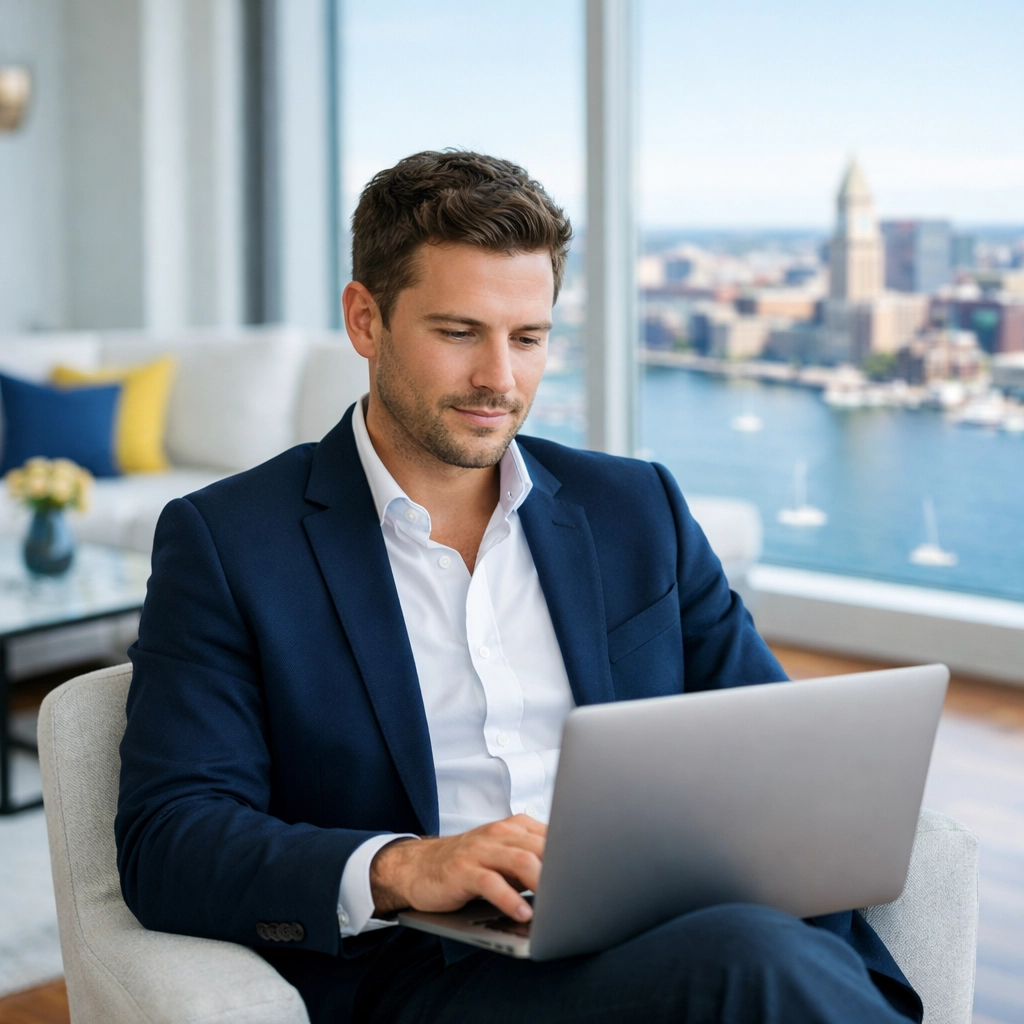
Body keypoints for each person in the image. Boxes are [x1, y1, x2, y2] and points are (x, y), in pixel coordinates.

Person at [116, 150, 922, 1024]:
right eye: (459, 332)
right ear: (365, 320)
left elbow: (779, 757)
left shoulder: (637, 508)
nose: (500, 379)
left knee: (754, 954)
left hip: (677, 927)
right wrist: (405, 866)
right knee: (749, 961)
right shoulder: (229, 543)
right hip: (439, 973)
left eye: (528, 338)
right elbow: (171, 839)